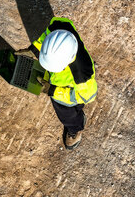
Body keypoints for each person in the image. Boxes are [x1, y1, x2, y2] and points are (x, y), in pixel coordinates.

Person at [18, 17, 97, 150]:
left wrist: (53, 91)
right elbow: (47, 38)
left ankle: (75, 128)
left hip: (67, 94)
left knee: (67, 116)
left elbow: (86, 97)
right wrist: (35, 50)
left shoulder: (82, 76)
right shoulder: (59, 26)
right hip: (57, 81)